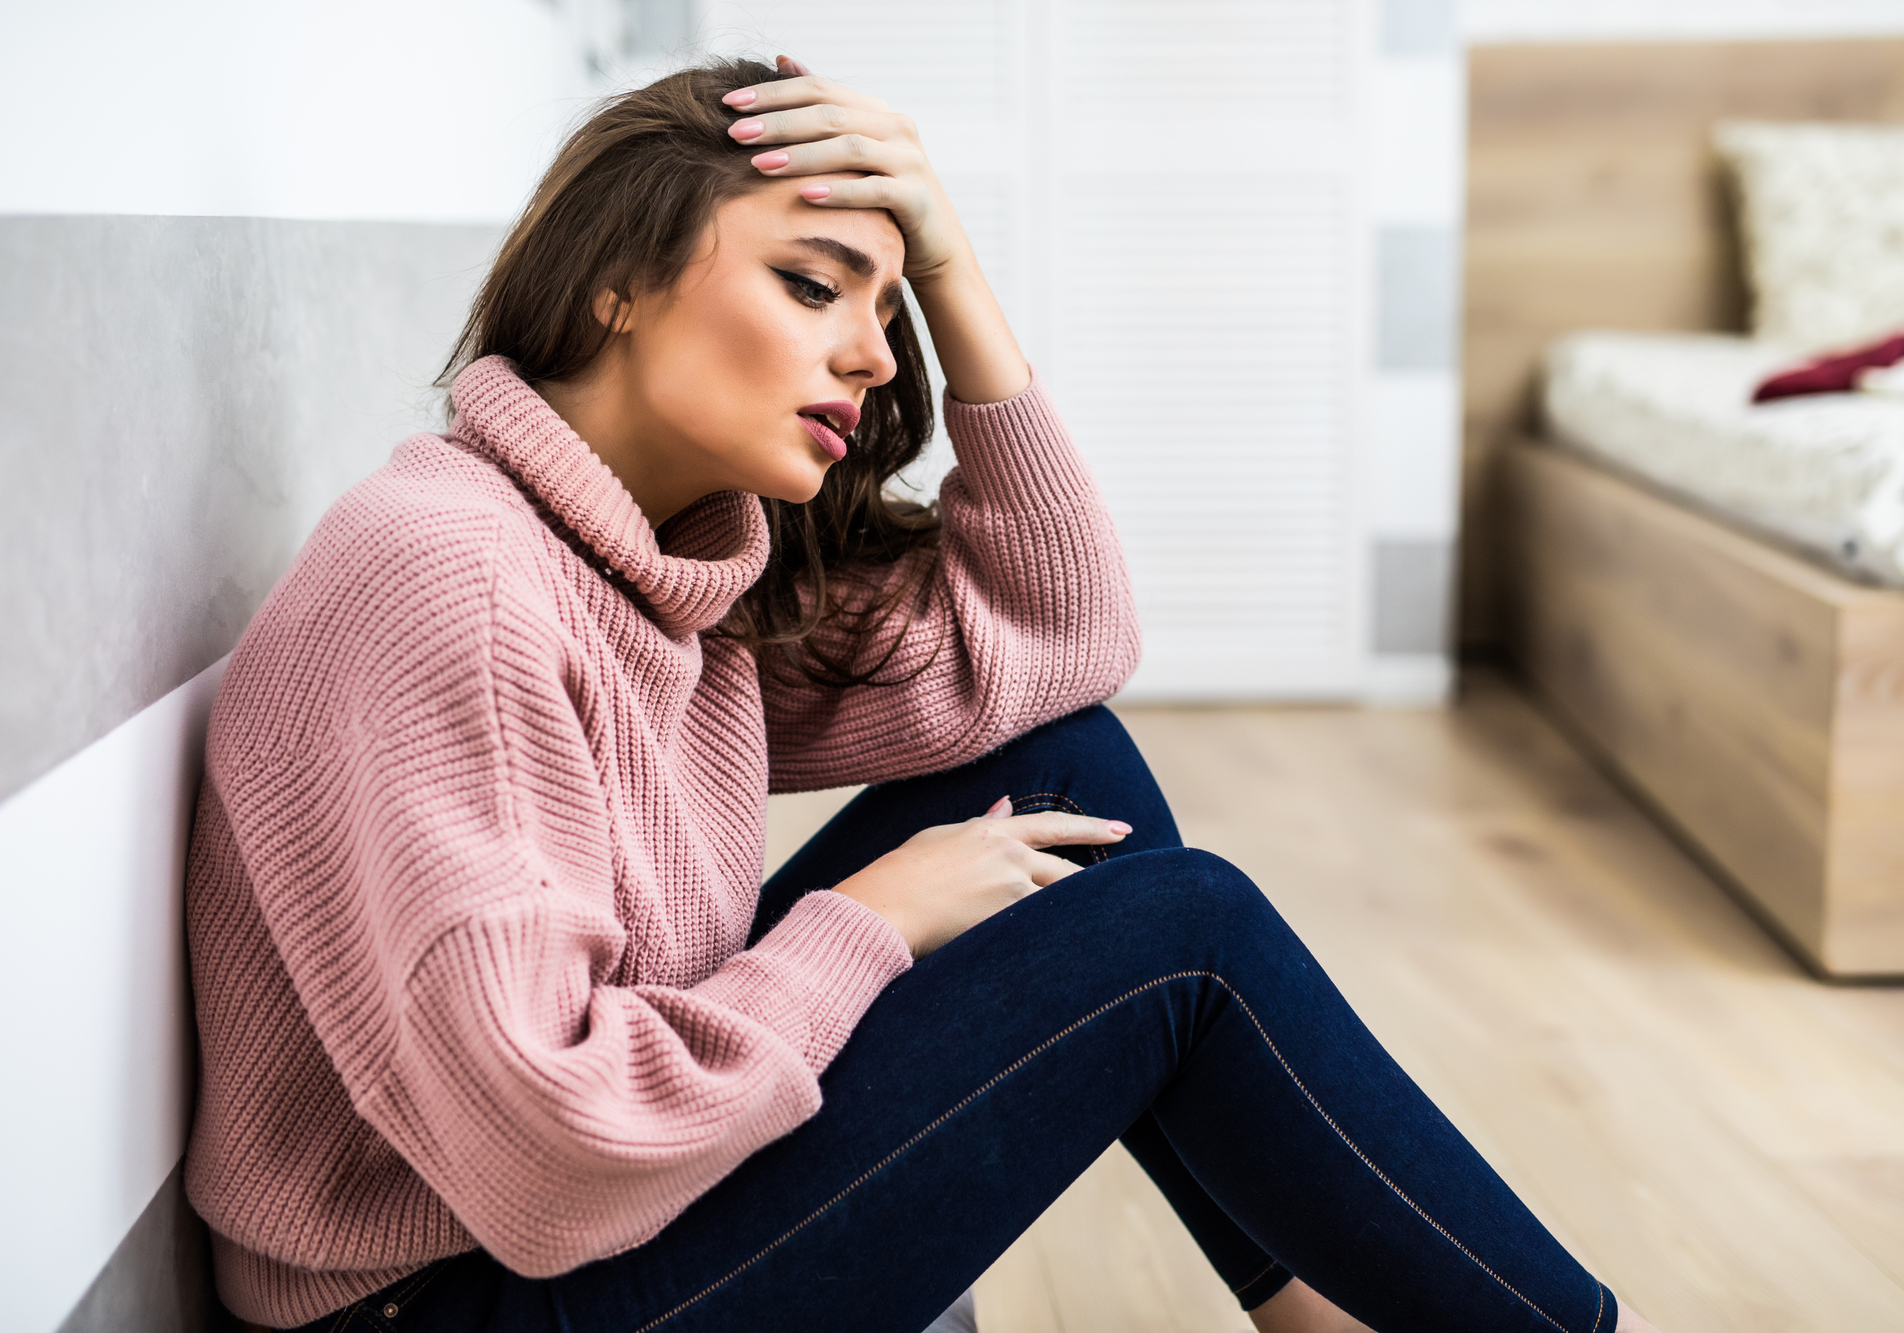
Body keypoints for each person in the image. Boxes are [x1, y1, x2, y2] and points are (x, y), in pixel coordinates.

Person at [183, 54, 1661, 1333]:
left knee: (1069, 766)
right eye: (811, 282)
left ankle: (1329, 1312)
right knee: (1183, 933)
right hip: (457, 1293)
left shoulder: (657, 574)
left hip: (551, 1230)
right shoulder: (455, 580)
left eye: (888, 307)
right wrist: (872, 919)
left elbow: (1056, 639)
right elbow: (551, 1154)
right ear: (611, 281)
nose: (869, 352)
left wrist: (953, 268)